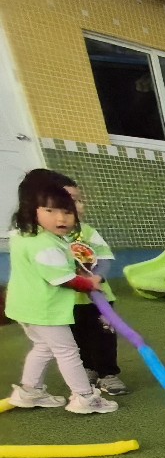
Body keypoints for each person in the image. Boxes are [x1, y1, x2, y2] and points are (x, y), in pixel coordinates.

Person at [4, 170, 118, 414]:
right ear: (32, 209)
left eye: (67, 211)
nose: (62, 218)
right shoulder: (45, 244)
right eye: (51, 210)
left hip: (25, 307)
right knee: (67, 351)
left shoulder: (24, 235)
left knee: (43, 347)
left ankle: (30, 391)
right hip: (45, 309)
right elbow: (63, 279)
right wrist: (89, 284)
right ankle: (85, 397)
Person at [30, 170, 128, 395]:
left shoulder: (88, 232)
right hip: (66, 301)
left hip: (98, 297)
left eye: (78, 200)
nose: (77, 206)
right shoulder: (45, 238)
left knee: (104, 336)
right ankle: (88, 369)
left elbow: (104, 258)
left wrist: (97, 277)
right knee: (76, 337)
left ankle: (108, 374)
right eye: (69, 201)